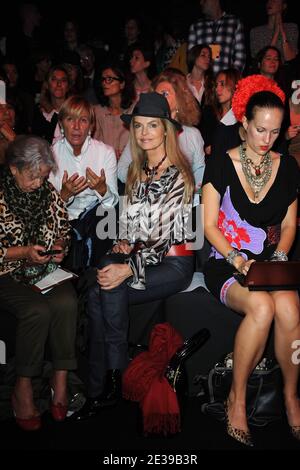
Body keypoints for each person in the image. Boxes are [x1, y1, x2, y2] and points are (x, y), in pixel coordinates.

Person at [72, 92, 195, 421]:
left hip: (174, 263)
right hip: (145, 257)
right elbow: (131, 225)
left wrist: (128, 269)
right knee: (101, 285)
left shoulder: (178, 176)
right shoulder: (140, 171)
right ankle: (104, 385)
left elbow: (162, 240)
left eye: (152, 126)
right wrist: (123, 244)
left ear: (166, 130)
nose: (143, 133)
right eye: (138, 126)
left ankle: (109, 382)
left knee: (109, 283)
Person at [202, 75, 300, 446]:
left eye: (275, 132)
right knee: (261, 308)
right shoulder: (222, 164)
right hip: (225, 261)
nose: (267, 139)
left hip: (268, 263)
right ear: (244, 124)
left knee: (290, 308)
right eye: (260, 129)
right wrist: (237, 259)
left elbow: (289, 225)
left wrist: (277, 257)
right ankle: (237, 398)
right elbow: (209, 226)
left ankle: (291, 396)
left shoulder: (288, 166)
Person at [0, 135, 78, 431]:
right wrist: (22, 253)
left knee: (67, 301)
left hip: (42, 270)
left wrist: (58, 247)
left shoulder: (48, 193)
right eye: (33, 176)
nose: (38, 183)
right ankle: (23, 386)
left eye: (43, 176)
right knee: (37, 310)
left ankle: (60, 378)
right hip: (5, 273)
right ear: (13, 169)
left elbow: (62, 231)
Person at [49, 95, 118, 268]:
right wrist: (64, 195)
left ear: (91, 126)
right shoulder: (51, 154)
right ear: (61, 124)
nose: (76, 127)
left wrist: (103, 190)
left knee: (105, 215)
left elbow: (112, 203)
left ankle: (98, 271)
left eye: (83, 120)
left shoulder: (105, 153)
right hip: (64, 219)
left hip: (96, 219)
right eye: (70, 119)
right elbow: (48, 209)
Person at [118, 68, 205, 201]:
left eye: (165, 94)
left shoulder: (193, 135)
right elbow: (121, 170)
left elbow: (200, 176)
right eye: (156, 94)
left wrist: (194, 207)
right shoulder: (144, 135)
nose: (159, 99)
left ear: (180, 99)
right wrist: (149, 183)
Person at [188, 0, 246, 74]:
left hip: (225, 83)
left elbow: (240, 57)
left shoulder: (234, 22)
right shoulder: (196, 25)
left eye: (204, 0)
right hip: (202, 82)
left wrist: (230, 79)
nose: (201, 2)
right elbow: (191, 58)